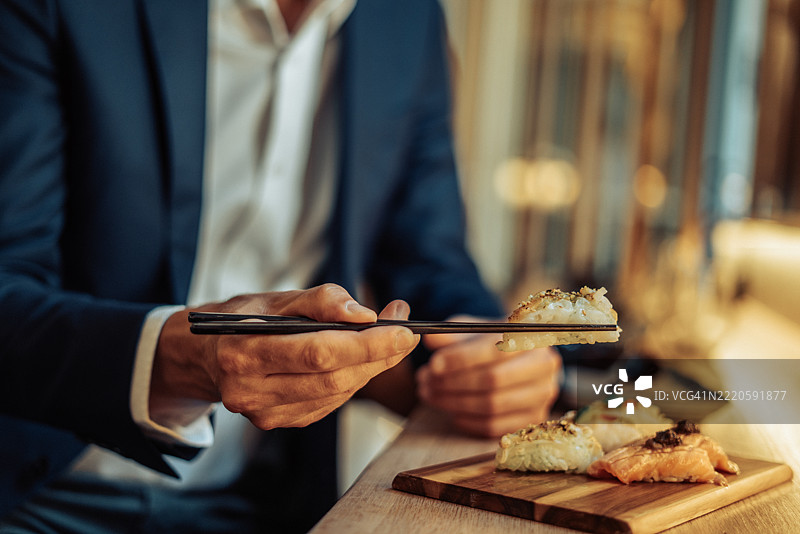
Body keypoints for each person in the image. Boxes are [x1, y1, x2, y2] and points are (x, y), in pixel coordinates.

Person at [0, 0, 561, 531]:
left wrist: (495, 358)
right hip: (36, 490)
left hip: (269, 503)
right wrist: (180, 360)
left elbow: (433, 260)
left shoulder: (407, 19)